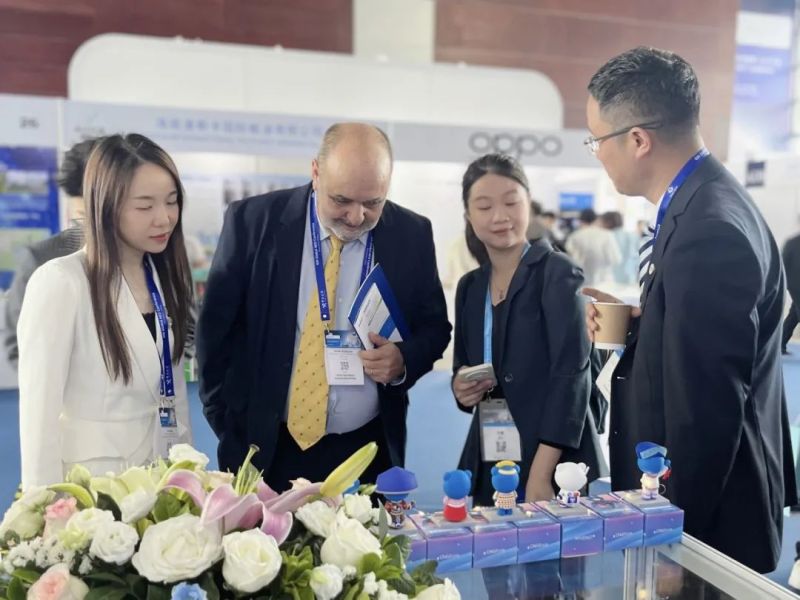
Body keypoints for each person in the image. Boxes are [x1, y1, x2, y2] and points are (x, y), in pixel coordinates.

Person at [583, 46, 796, 572]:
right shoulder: (702, 201)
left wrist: (678, 541)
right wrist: (644, 323)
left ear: (638, 140)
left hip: (707, 523)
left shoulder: (709, 229)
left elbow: (707, 412)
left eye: (597, 140)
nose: (597, 153)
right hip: (701, 504)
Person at [196, 122, 451, 491]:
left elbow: (435, 328)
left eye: (373, 202)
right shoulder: (253, 222)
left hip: (365, 450)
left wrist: (403, 360)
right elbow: (215, 331)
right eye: (341, 200)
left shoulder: (411, 234)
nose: (356, 217)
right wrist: (228, 423)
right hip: (266, 444)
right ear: (316, 172)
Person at [16, 134, 195, 489]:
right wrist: (45, 505)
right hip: (93, 487)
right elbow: (39, 416)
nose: (164, 219)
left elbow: (172, 391)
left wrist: (188, 478)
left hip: (160, 479)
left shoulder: (162, 277)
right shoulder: (62, 281)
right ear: (106, 206)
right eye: (144, 206)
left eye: (172, 202)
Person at [451, 154, 604, 506]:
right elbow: (463, 365)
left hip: (553, 458)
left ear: (528, 205)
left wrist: (541, 473)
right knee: (494, 538)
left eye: (511, 202)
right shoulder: (470, 287)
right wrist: (461, 388)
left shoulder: (558, 273)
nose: (499, 216)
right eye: (484, 206)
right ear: (469, 216)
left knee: (553, 543)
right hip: (494, 451)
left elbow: (572, 375)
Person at [4, 139, 98, 368]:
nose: (97, 226)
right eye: (84, 215)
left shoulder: (150, 254)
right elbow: (18, 346)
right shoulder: (42, 259)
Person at [565, 208, 621, 285]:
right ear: (596, 219)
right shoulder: (607, 235)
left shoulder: (575, 236)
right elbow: (616, 259)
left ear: (581, 220)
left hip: (582, 281)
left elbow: (569, 258)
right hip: (604, 281)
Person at [600, 211, 639, 285]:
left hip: (610, 282)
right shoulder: (633, 235)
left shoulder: (606, 237)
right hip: (631, 280)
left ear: (608, 222)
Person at [782, 231, 800, 353]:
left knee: (793, 315)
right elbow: (783, 264)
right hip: (795, 285)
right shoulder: (792, 243)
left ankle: (781, 343)